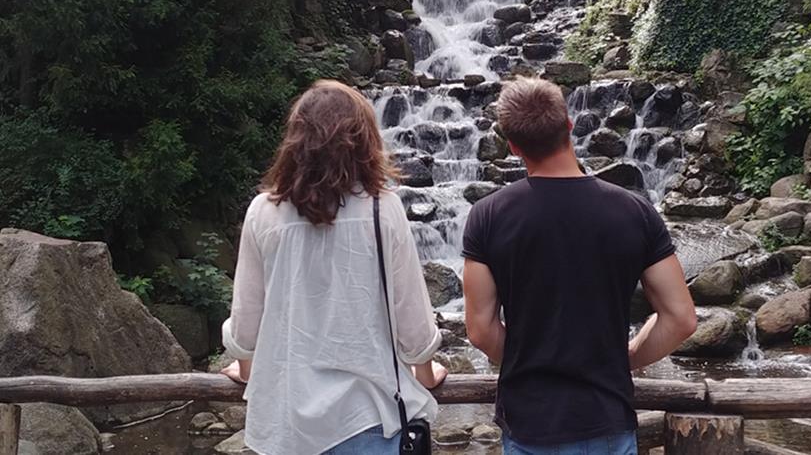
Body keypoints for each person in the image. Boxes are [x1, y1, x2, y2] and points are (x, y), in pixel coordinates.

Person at [463, 78, 698, 455]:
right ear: (569, 126)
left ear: (512, 146)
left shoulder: (487, 216)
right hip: (605, 415)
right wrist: (625, 356)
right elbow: (681, 318)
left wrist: (534, 359)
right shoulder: (634, 211)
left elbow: (479, 330)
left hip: (528, 421)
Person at [221, 80, 448, 455]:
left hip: (287, 427)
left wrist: (247, 371)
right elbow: (413, 323)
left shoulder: (262, 212)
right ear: (364, 141)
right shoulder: (382, 209)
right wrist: (425, 374)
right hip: (368, 419)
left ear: (295, 142)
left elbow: (247, 323)